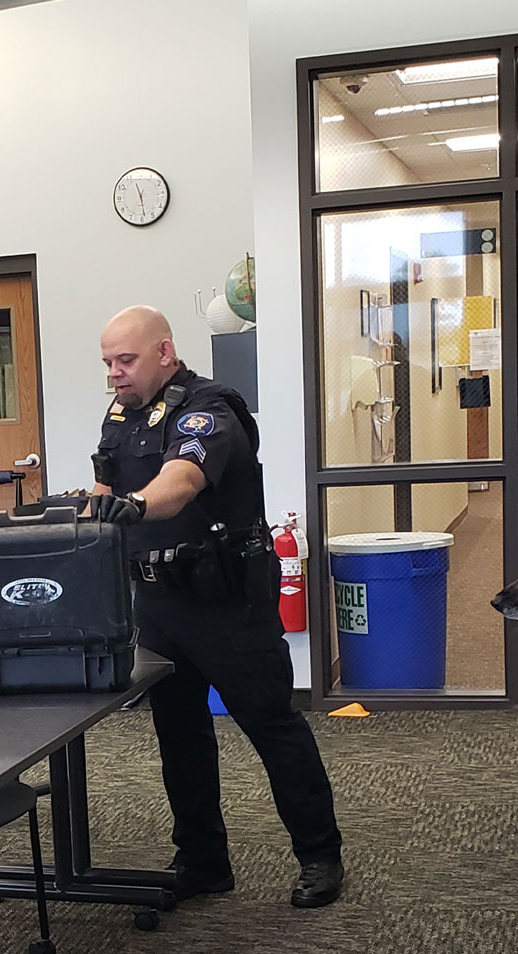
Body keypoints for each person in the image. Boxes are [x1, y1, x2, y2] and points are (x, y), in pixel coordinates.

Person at [89, 306, 344, 908]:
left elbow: (180, 481)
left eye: (125, 361)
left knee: (271, 725)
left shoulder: (211, 408)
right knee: (179, 735)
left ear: (165, 352)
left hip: (226, 599)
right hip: (158, 601)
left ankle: (319, 856)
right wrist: (95, 513)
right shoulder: (122, 412)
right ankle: (203, 859)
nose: (115, 375)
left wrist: (132, 506)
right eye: (107, 364)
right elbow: (106, 481)